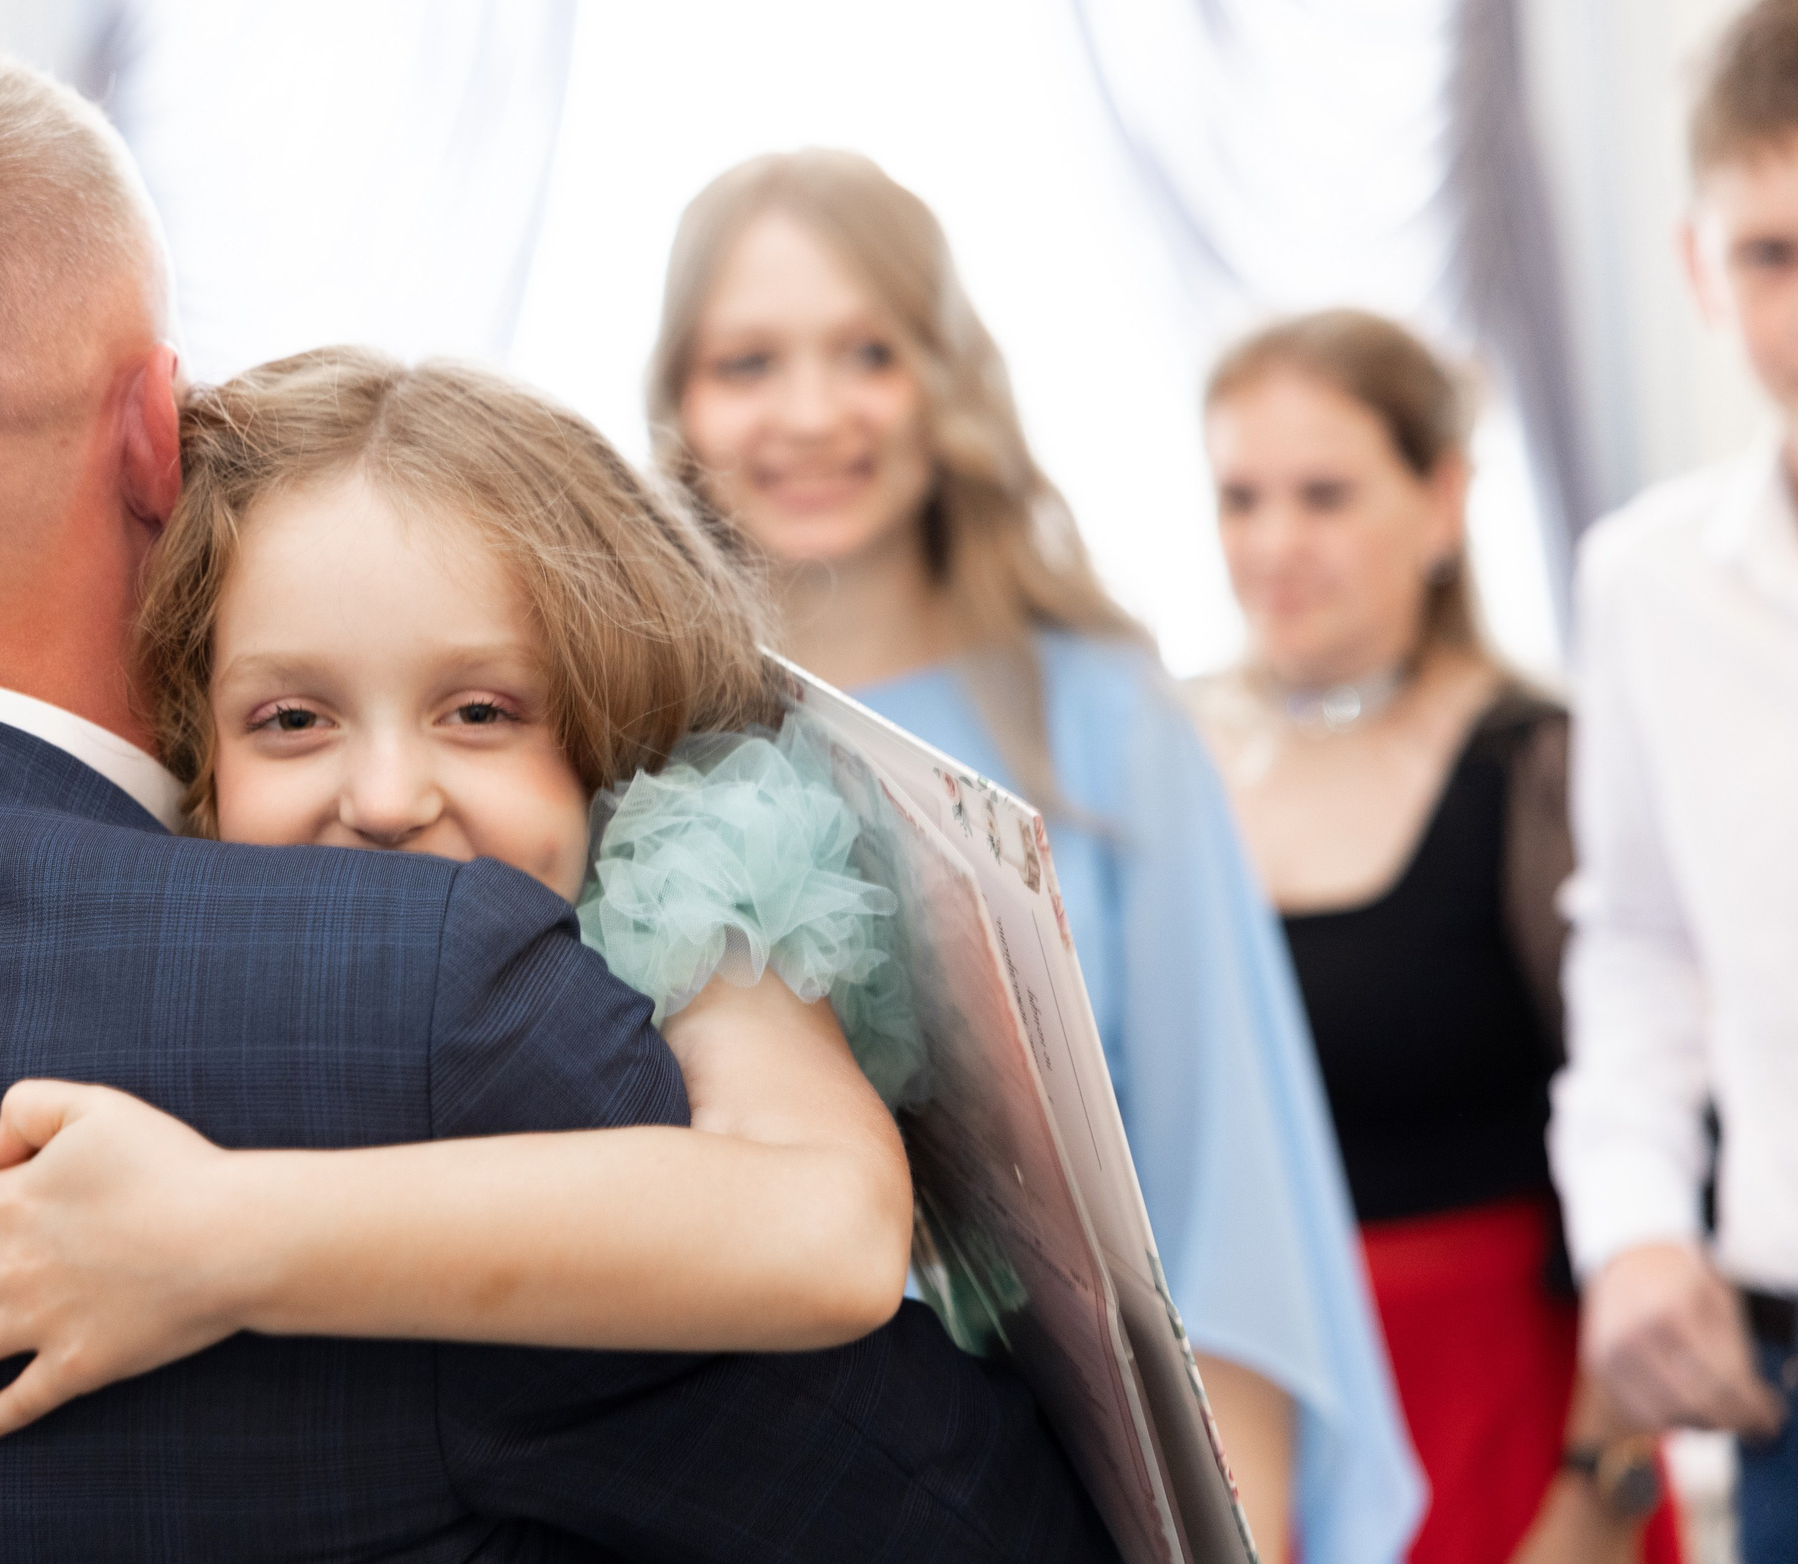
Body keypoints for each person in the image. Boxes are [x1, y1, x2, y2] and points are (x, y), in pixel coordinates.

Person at [0, 49, 1117, 1562]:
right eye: (295, 713)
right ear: (152, 445)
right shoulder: (434, 1012)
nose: (390, 799)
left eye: (480, 708)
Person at [643, 149, 1423, 1564]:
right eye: (749, 361)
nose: (809, 413)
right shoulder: (647, 734)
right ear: (680, 402)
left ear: (943, 382)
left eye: (866, 351)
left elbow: (1227, 1183)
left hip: (1081, 1498)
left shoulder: (1110, 723)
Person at [1189, 310, 1679, 1564]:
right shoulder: (1171, 766)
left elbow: (1648, 1131)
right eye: (1240, 498)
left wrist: (1596, 1491)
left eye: (1324, 495)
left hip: (1508, 1425)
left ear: (1442, 500)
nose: (1273, 543)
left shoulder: (1537, 767)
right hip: (1257, 1421)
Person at [1553, 1, 1798, 1554]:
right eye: (1774, 253)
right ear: (1698, 268)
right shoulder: (1645, 581)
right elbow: (1637, 943)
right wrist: (1634, 1229)